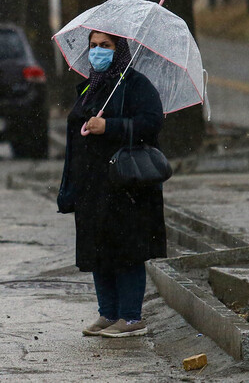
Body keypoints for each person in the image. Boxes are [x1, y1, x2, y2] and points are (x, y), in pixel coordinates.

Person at [57, 31, 167, 338]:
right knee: (98, 249)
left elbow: (151, 123)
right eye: (93, 46)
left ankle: (131, 318)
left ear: (119, 50)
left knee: (126, 250)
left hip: (126, 185)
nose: (97, 52)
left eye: (105, 46)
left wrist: (109, 126)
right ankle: (108, 313)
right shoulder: (90, 87)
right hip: (92, 185)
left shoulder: (135, 85)